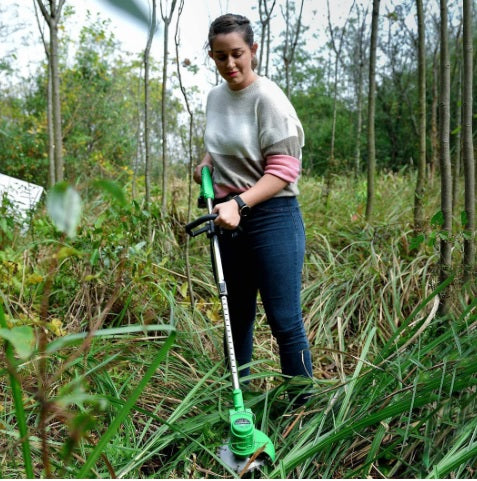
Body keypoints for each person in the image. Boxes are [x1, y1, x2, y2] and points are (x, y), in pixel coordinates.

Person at [194, 13, 312, 405]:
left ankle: (301, 407)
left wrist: (240, 203)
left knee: (284, 320)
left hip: (272, 218)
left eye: (237, 54)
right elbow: (220, 143)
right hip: (226, 220)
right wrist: (208, 163)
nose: (230, 64)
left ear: (253, 50)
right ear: (211, 56)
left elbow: (284, 169)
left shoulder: (269, 98)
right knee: (235, 318)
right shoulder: (214, 97)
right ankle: (237, 403)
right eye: (220, 56)